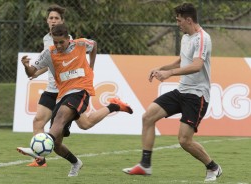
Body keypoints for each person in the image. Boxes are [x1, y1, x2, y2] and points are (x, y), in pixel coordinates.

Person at [17, 5, 133, 177]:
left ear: (68, 39)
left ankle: (39, 148)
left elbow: (94, 46)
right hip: (61, 94)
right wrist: (27, 67)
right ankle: (76, 161)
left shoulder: (79, 44)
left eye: (61, 42)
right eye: (55, 43)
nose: (58, 46)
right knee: (66, 138)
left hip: (80, 90)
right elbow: (33, 73)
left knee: (61, 117)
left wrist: (91, 67)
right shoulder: (49, 51)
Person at [122, 3, 222, 182]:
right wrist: (162, 67)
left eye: (179, 20)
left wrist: (169, 74)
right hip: (182, 91)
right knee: (148, 117)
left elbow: (197, 65)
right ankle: (145, 165)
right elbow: (182, 61)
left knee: (184, 141)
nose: (177, 23)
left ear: (189, 20)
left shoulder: (202, 38)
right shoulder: (186, 37)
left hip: (197, 96)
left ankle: (213, 167)